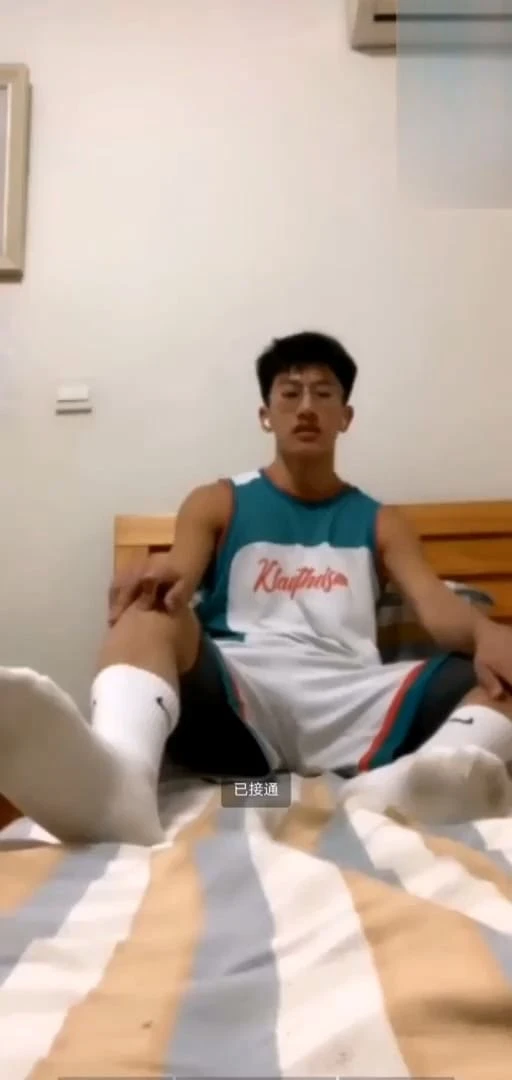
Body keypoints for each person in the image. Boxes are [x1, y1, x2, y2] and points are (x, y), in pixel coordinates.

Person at [1, 331, 512, 843]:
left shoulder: (382, 522)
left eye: (323, 393)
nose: (306, 407)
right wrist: (154, 578)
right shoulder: (217, 501)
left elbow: (436, 606)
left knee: (506, 675)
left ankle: (411, 785)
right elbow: (177, 575)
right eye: (290, 393)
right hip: (243, 701)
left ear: (345, 417)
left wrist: (487, 632)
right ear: (266, 414)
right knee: (151, 610)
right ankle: (123, 790)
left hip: (353, 701)